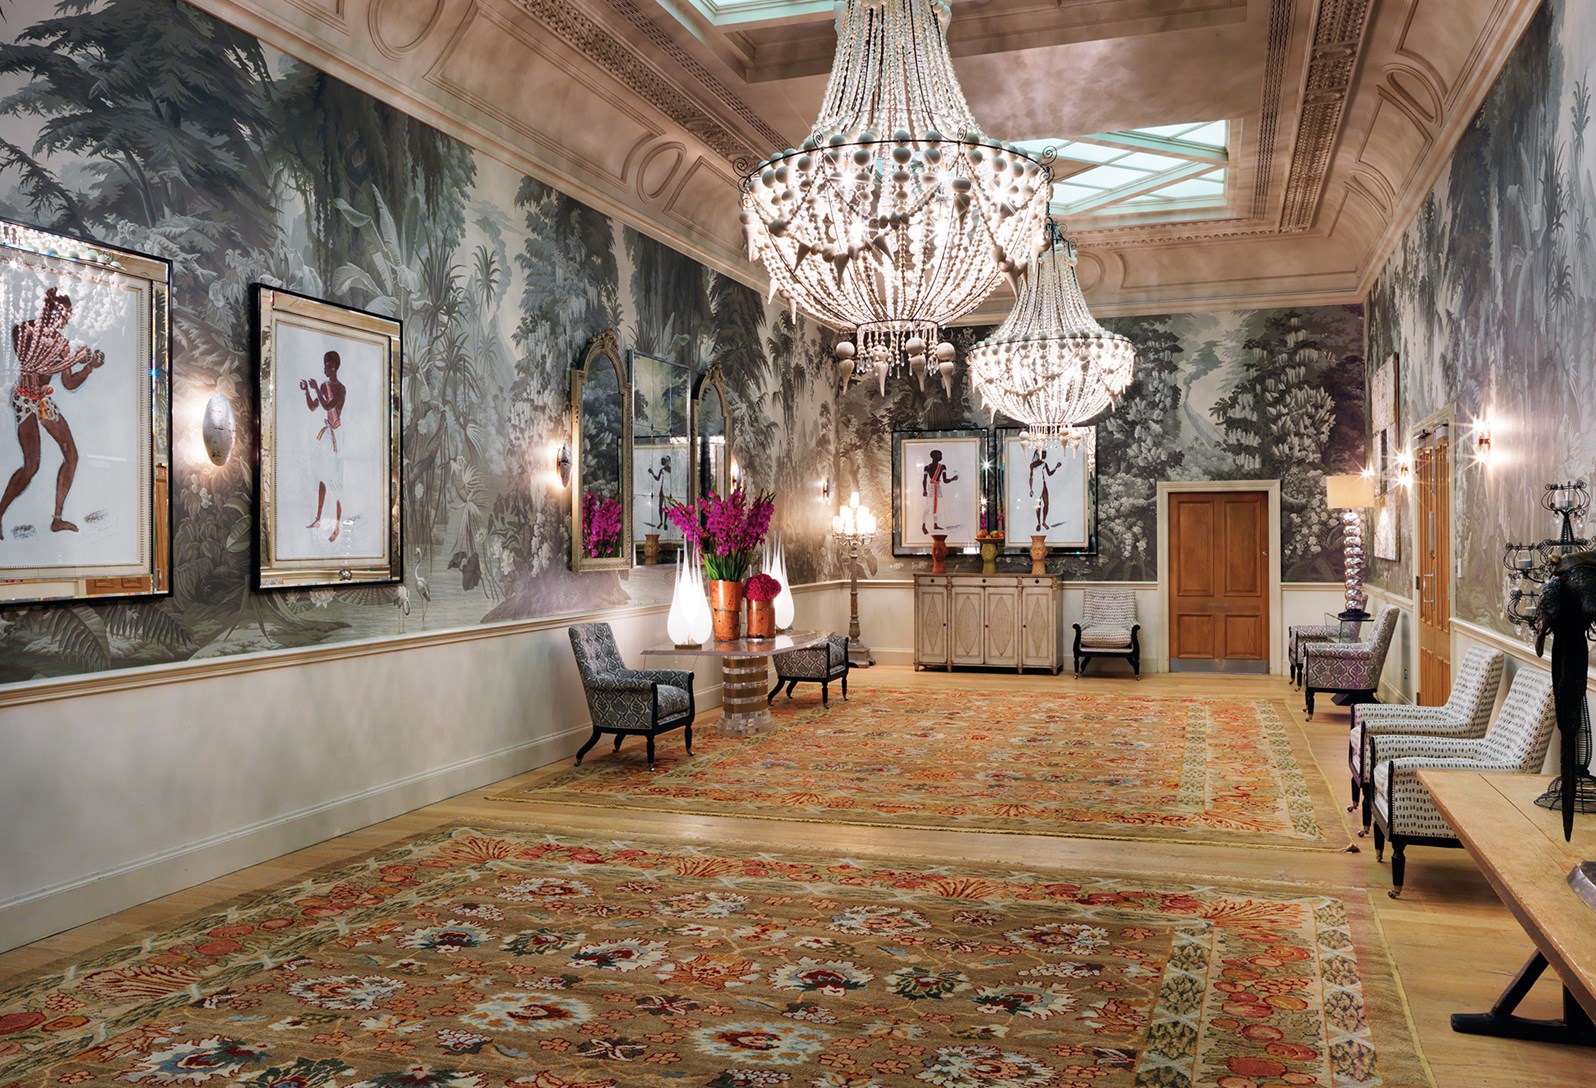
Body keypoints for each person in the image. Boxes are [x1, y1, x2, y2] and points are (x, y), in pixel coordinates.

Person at [0, 286, 105, 537]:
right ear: (49, 309)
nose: (66, 320)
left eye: (68, 315)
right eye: (63, 313)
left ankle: (57, 518)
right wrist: (71, 360)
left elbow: (68, 383)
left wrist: (88, 366)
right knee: (32, 465)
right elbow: (32, 361)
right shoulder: (25, 330)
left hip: (43, 401)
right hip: (25, 398)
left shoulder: (62, 343)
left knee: (71, 455)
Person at [300, 350, 347, 543]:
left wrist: (317, 389)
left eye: (326, 365)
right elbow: (313, 406)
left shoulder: (341, 389)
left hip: (337, 435)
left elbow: (329, 406)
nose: (324, 368)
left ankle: (337, 527)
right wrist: (307, 391)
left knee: (335, 483)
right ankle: (319, 519)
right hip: (327, 434)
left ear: (333, 366)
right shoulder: (323, 385)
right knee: (320, 477)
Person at [920, 449, 959, 535]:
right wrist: (924, 490)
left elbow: (945, 480)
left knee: (938, 506)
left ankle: (935, 524)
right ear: (934, 457)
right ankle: (923, 525)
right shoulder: (927, 467)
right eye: (939, 455)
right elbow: (924, 479)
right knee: (928, 506)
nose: (940, 457)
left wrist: (952, 479)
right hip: (931, 488)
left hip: (938, 487)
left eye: (940, 455)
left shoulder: (942, 467)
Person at [1029, 446, 1060, 532]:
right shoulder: (1032, 465)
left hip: (1043, 484)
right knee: (1038, 505)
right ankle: (1038, 523)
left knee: (1046, 503)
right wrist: (1031, 489)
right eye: (1043, 453)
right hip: (1036, 485)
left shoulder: (1044, 464)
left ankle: (1043, 522)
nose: (1045, 455)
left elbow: (1049, 474)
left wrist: (1056, 467)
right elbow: (1031, 477)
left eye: (1045, 453)